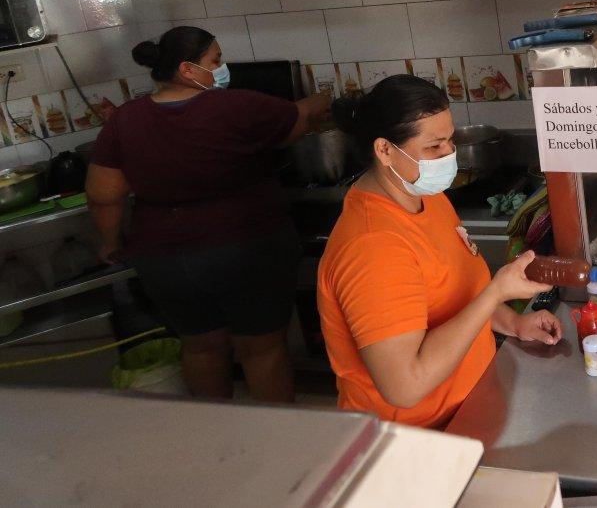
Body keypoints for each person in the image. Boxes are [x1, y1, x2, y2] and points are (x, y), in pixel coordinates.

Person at [86, 26, 330, 402]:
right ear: (187, 69)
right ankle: (281, 442)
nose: (222, 67)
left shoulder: (125, 119)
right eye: (215, 60)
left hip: (164, 258)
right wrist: (323, 99)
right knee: (261, 348)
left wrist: (112, 242)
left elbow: (104, 195)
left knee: (200, 347)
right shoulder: (235, 106)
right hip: (246, 247)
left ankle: (215, 436)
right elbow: (296, 119)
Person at [317, 75, 562, 429]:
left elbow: (455, 296)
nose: (449, 155)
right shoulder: (373, 247)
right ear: (384, 150)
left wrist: (514, 323)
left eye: (451, 141)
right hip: (418, 438)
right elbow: (405, 386)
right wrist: (498, 290)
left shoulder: (426, 198)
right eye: (433, 147)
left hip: (467, 408)